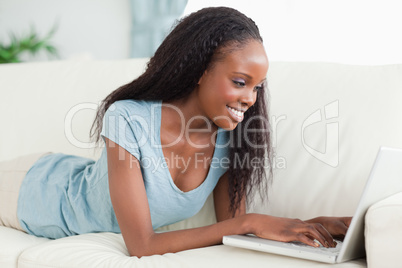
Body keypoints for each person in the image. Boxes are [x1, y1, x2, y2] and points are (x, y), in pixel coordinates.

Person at [0, 7, 351, 257]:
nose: (250, 99)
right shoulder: (128, 118)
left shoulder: (232, 140)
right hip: (32, 190)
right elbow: (142, 246)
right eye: (240, 82)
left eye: (258, 86)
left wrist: (311, 225)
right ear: (200, 69)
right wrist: (251, 222)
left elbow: (235, 227)